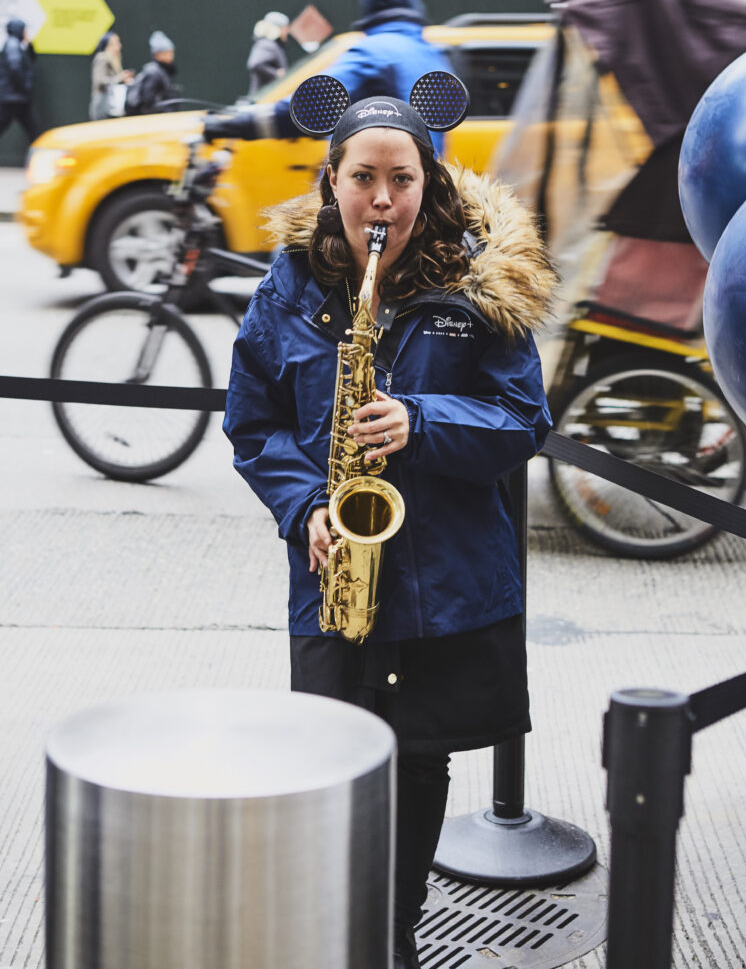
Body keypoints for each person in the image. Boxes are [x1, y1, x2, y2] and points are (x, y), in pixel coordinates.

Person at [222, 80, 556, 968]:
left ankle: (394, 932)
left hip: (445, 582)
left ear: (428, 180)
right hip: (336, 571)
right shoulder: (288, 287)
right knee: (331, 763)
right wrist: (304, 506)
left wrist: (422, 420)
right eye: (362, 178)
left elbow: (526, 421)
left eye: (401, 180)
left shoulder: (481, 284)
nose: (381, 201)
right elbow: (250, 422)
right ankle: (335, 923)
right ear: (331, 179)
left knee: (417, 766)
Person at [204, 0, 454, 153]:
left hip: (369, 201)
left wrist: (234, 124)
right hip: (422, 197)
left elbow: (311, 104)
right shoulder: (433, 55)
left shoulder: (375, 50)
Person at [0, 17, 40, 146]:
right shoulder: (13, 46)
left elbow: (31, 58)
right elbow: (16, 69)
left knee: (34, 132)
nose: (26, 33)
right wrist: (25, 87)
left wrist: (30, 45)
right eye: (24, 30)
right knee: (34, 132)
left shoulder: (17, 45)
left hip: (16, 98)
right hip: (13, 98)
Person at [124, 30, 178, 115]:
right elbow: (148, 101)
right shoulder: (153, 72)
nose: (171, 55)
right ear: (157, 55)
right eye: (167, 53)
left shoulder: (164, 71)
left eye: (171, 52)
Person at [89, 31, 134, 120]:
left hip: (112, 104)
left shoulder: (114, 60)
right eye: (115, 43)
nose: (119, 46)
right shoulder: (102, 58)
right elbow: (100, 81)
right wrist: (120, 77)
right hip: (103, 103)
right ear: (107, 46)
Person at [247, 11, 289, 96]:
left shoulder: (271, 45)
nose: (287, 32)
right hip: (264, 100)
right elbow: (254, 64)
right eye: (284, 28)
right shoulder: (267, 45)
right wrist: (277, 74)